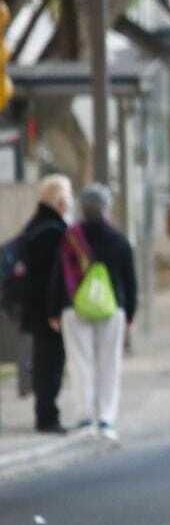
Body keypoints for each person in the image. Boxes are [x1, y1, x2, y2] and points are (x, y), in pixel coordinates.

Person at [46, 184, 135, 442]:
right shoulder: (119, 240)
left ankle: (85, 417)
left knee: (80, 362)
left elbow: (57, 277)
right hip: (111, 309)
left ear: (82, 209)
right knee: (109, 363)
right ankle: (106, 418)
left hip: (74, 308)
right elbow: (130, 281)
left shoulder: (70, 238)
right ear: (107, 208)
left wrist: (53, 310)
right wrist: (129, 313)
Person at [17, 174, 73, 433]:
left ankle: (46, 412)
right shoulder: (53, 231)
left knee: (44, 362)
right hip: (48, 310)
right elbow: (54, 276)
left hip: (35, 306)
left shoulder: (36, 225)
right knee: (50, 364)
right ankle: (47, 416)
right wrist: (55, 310)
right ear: (61, 200)